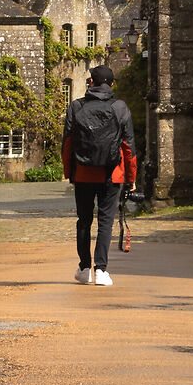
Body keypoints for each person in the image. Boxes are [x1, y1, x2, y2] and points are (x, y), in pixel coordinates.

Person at [62, 62, 136, 286]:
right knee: (105, 222)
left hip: (83, 173)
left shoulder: (76, 107)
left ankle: (84, 268)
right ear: (112, 84)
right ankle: (101, 270)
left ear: (90, 83)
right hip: (111, 174)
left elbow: (67, 144)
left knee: (83, 221)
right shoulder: (120, 108)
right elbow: (128, 148)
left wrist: (70, 174)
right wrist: (131, 179)